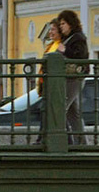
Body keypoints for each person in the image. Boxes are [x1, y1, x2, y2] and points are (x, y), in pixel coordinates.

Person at [56, 9, 90, 146]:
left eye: (63, 23)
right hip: (70, 77)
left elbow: (81, 56)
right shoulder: (68, 38)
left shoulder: (78, 38)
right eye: (60, 24)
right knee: (73, 113)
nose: (61, 26)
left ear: (71, 24)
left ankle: (64, 140)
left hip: (75, 77)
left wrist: (65, 50)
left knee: (60, 107)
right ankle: (81, 143)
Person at [35, 19, 61, 145]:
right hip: (46, 83)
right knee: (45, 110)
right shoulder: (51, 45)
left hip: (54, 85)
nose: (50, 32)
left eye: (53, 29)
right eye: (50, 29)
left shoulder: (61, 45)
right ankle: (41, 138)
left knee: (48, 111)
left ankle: (41, 139)